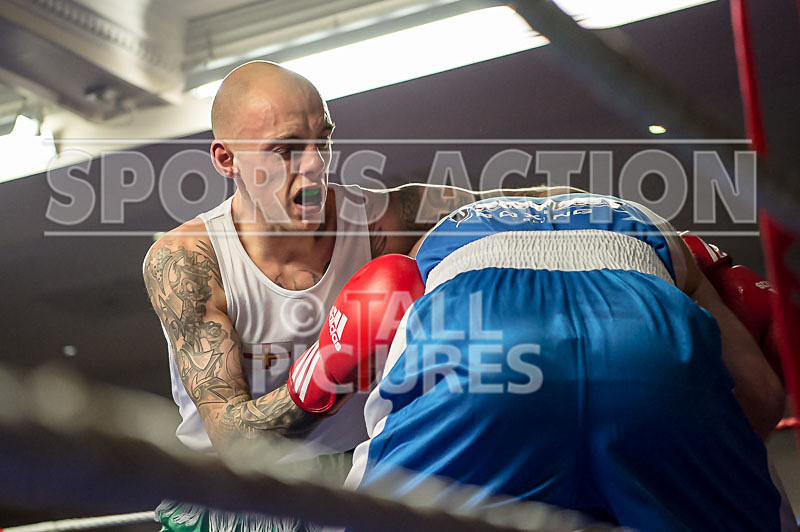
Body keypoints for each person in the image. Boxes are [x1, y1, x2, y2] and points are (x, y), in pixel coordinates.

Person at [142, 60, 567, 531]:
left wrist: (600, 213)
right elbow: (233, 437)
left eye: (322, 140)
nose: (314, 165)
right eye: (284, 150)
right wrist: (330, 369)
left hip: (356, 476)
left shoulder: (378, 220)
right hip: (231, 496)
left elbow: (524, 205)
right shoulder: (186, 260)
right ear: (227, 159)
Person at [335, 193, 786, 531]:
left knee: (359, 517)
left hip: (486, 338)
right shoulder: (650, 225)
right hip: (643, 326)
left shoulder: (438, 243)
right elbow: (761, 397)